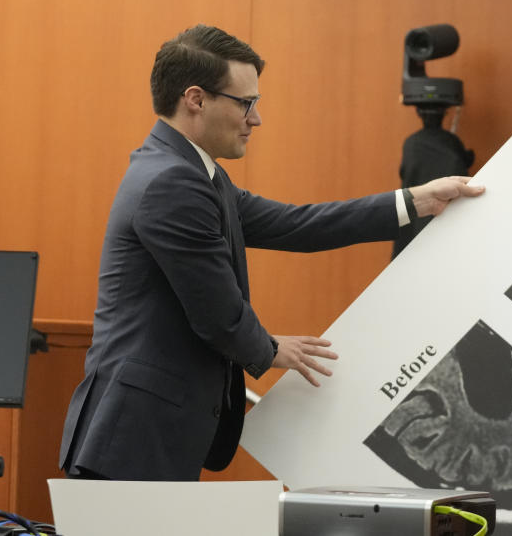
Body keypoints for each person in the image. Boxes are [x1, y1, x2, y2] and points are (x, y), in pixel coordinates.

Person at [59, 24, 485, 481]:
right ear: (196, 99)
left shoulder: (194, 173)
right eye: (246, 103)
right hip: (136, 437)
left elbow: (295, 224)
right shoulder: (172, 182)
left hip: (149, 432)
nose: (255, 119)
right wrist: (270, 348)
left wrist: (415, 200)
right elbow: (217, 315)